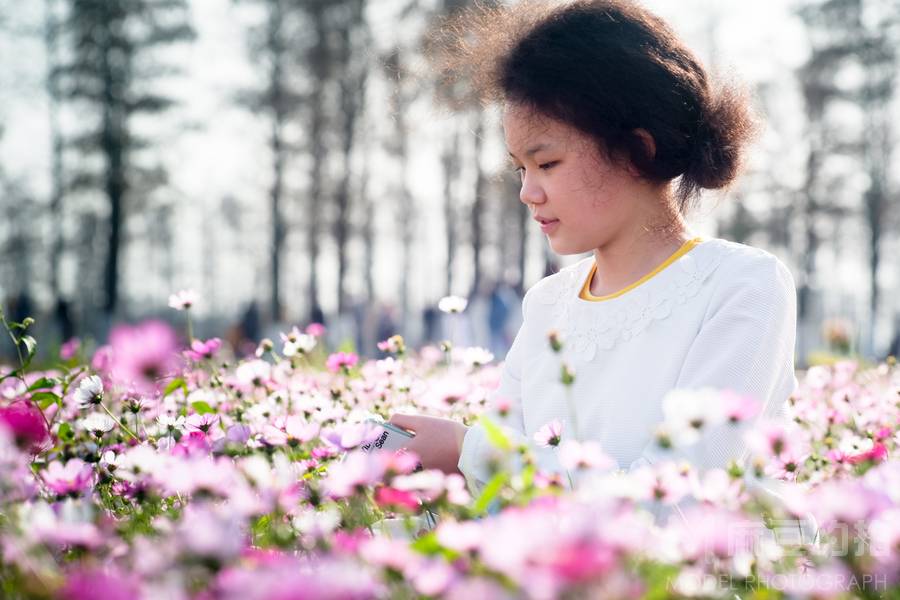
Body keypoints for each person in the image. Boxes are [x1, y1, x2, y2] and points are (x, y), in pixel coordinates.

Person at [391, 0, 797, 492]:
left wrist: (469, 451)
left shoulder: (741, 285)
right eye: (521, 168)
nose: (527, 191)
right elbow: (510, 492)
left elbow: (681, 495)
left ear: (637, 151)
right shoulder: (547, 304)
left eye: (547, 164)